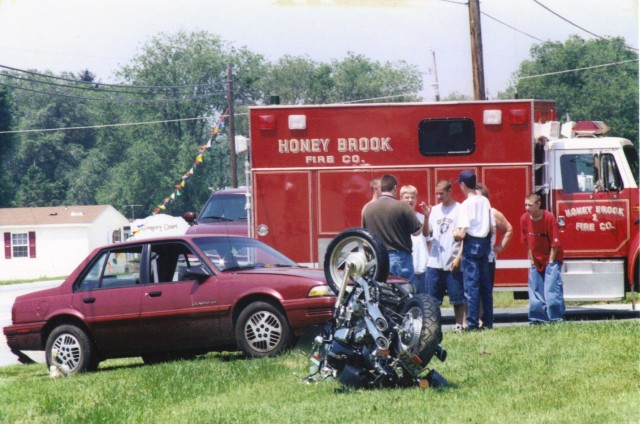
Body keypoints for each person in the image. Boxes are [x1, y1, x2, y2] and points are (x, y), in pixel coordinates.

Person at [362, 175, 428, 281]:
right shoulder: (402, 206)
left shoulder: (368, 209)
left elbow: (365, 238)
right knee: (404, 293)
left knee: (383, 292)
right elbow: (417, 232)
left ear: (381, 188)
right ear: (395, 188)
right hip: (399, 258)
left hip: (377, 258)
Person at [424, 180, 466, 332]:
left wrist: (458, 258)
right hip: (434, 261)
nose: (439, 196)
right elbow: (425, 233)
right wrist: (427, 217)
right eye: (436, 193)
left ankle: (459, 325)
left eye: (441, 193)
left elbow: (465, 236)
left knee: (457, 298)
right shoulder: (434, 210)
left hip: (452, 259)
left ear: (450, 191)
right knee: (433, 299)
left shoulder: (460, 209)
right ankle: (434, 328)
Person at [452, 170, 492, 331]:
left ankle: (472, 323)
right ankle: (488, 321)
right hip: (484, 243)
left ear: (463, 185)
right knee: (485, 286)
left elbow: (462, 233)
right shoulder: (484, 200)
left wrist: (455, 234)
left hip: (471, 243)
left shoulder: (465, 205)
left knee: (471, 286)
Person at [520, 193, 565, 323]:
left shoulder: (549, 218)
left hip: (552, 258)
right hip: (536, 259)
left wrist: (551, 262)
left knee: (551, 290)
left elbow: (555, 243)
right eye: (525, 205)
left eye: (530, 205)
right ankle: (537, 319)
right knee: (535, 290)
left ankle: (556, 318)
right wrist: (532, 261)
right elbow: (527, 242)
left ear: (538, 204)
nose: (527, 208)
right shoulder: (524, 219)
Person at [476, 183, 513, 327]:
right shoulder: (468, 211)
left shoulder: (493, 213)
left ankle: (486, 320)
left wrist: (499, 247)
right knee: (473, 290)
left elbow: (508, 229)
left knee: (485, 290)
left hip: (488, 259)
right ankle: (475, 319)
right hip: (471, 258)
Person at [399, 185, 428, 291]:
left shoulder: (423, 218)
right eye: (407, 197)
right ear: (401, 199)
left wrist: (427, 261)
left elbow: (429, 242)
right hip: (405, 267)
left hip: (422, 267)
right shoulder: (398, 218)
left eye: (413, 197)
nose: (410, 200)